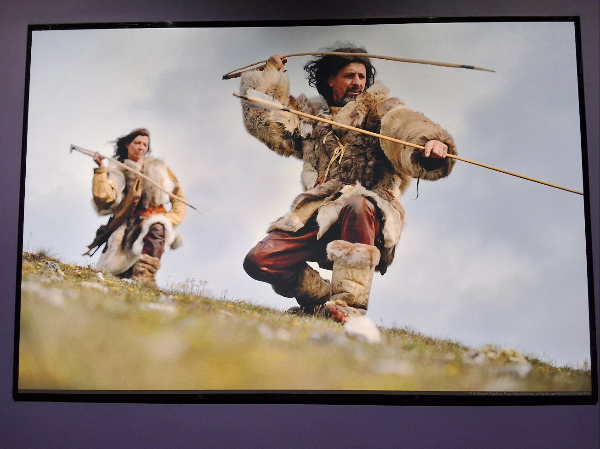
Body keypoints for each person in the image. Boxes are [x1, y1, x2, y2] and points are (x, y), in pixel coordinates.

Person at [238, 44, 458, 323]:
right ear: (331, 80)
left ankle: (348, 306)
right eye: (349, 76)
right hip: (320, 210)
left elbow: (406, 124)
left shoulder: (379, 110)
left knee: (357, 204)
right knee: (259, 260)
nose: (357, 83)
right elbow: (271, 121)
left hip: (369, 212)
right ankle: (317, 299)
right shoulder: (312, 118)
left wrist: (430, 142)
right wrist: (270, 75)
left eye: (362, 77)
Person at [90, 128, 186, 283]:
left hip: (155, 219)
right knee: (116, 273)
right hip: (128, 224)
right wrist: (101, 169)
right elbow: (105, 197)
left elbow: (178, 196)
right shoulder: (118, 169)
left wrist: (171, 218)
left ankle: (145, 278)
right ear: (128, 145)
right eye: (137, 143)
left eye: (145, 144)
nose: (141, 147)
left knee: (157, 228)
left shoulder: (159, 168)